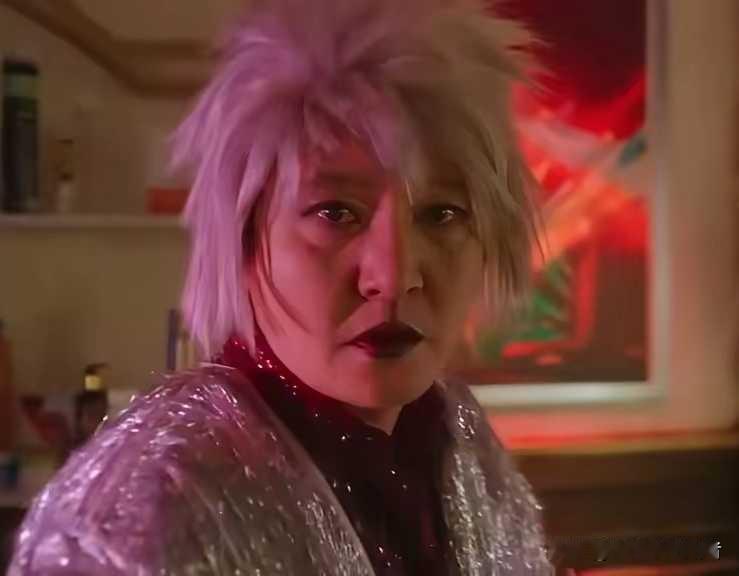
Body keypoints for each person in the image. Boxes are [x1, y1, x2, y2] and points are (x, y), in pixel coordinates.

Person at [10, 0, 554, 574]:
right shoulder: (144, 516)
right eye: (335, 213)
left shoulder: (462, 448)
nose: (393, 276)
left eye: (442, 214)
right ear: (244, 237)